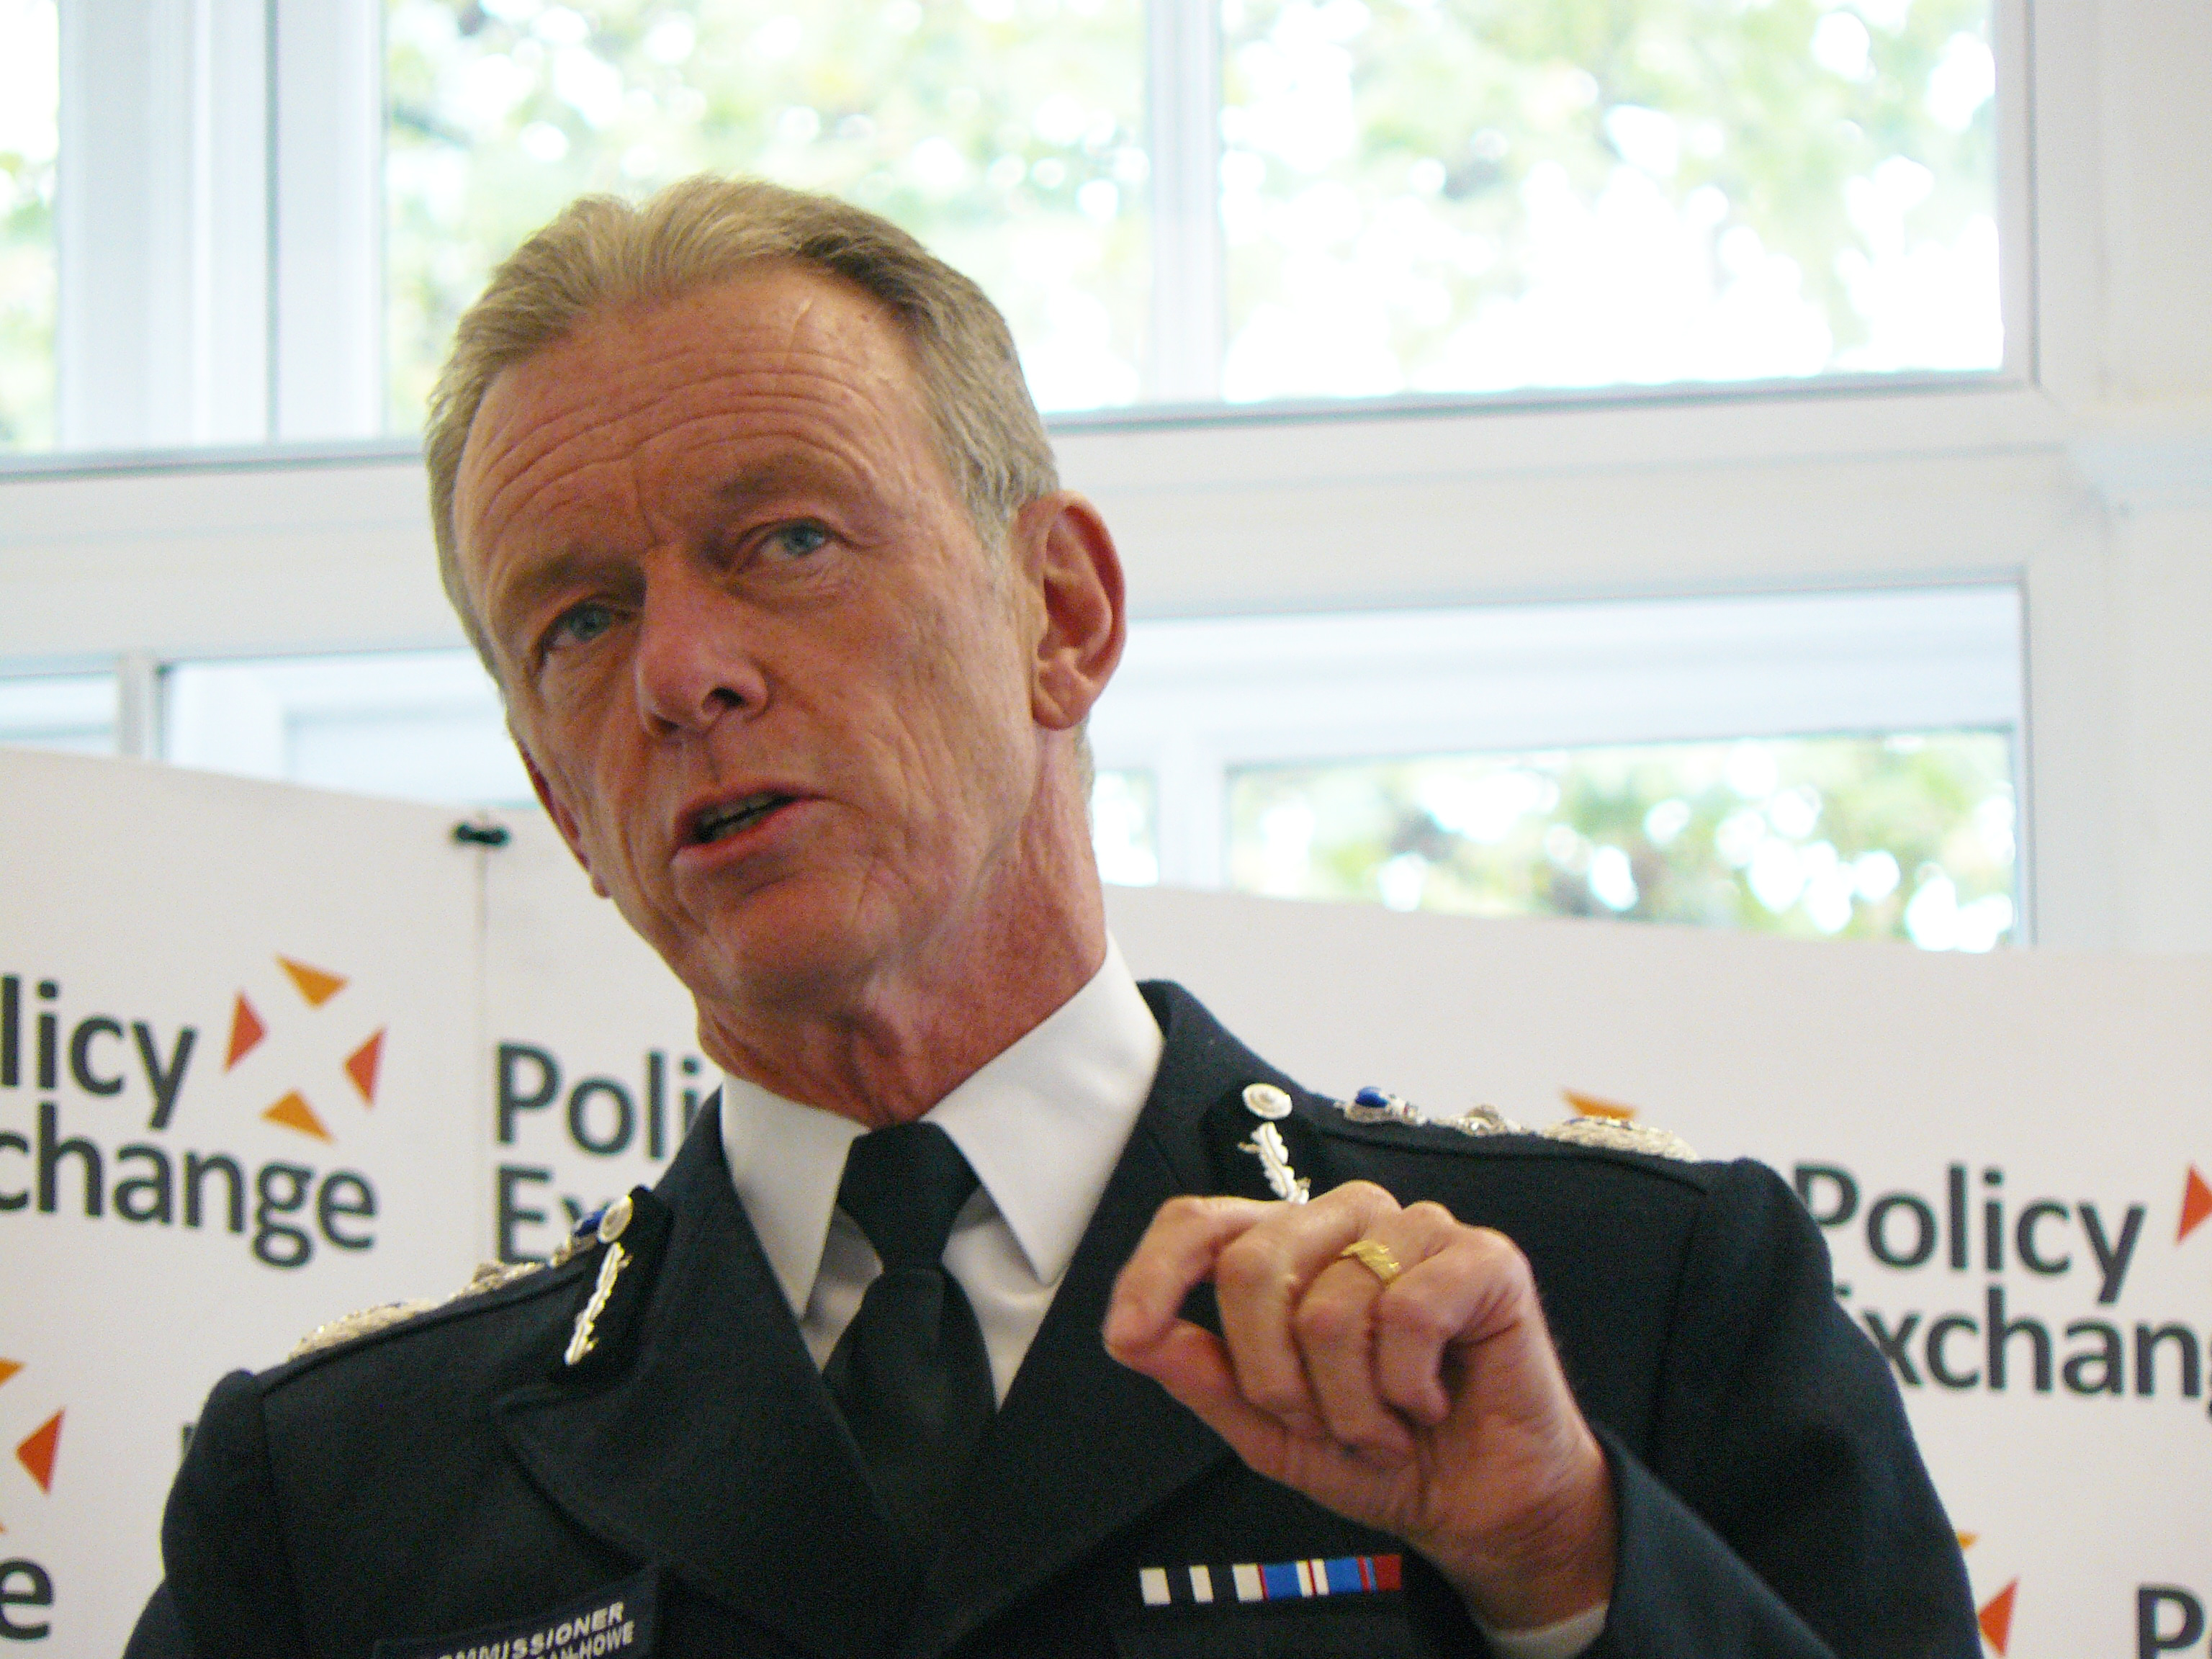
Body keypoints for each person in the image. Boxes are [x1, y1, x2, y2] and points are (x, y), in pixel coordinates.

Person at [127, 176, 1974, 1659]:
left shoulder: (1618, 1312)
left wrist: (1565, 1567)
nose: (683, 672)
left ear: (1062, 615)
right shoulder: (339, 1492)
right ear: (560, 806)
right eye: (581, 622)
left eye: (788, 540)